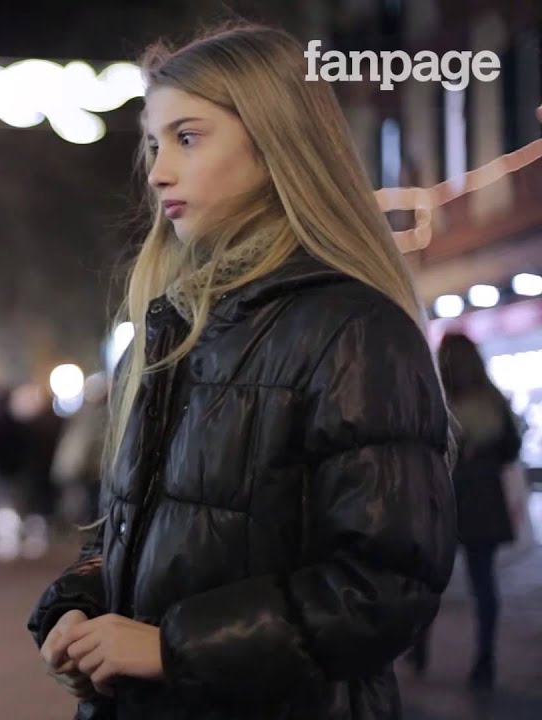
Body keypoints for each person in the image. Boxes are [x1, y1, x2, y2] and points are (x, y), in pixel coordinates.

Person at [28, 24, 457, 719]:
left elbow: (385, 584)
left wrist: (172, 647)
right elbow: (139, 535)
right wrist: (75, 610)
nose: (158, 170)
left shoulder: (351, 329)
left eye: (187, 137)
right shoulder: (168, 329)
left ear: (274, 142)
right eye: (152, 143)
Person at [408, 333, 522, 689]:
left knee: (428, 580)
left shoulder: (437, 401)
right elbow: (511, 449)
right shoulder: (493, 401)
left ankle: (418, 650)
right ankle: (484, 661)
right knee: (484, 583)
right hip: (485, 501)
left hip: (445, 499)